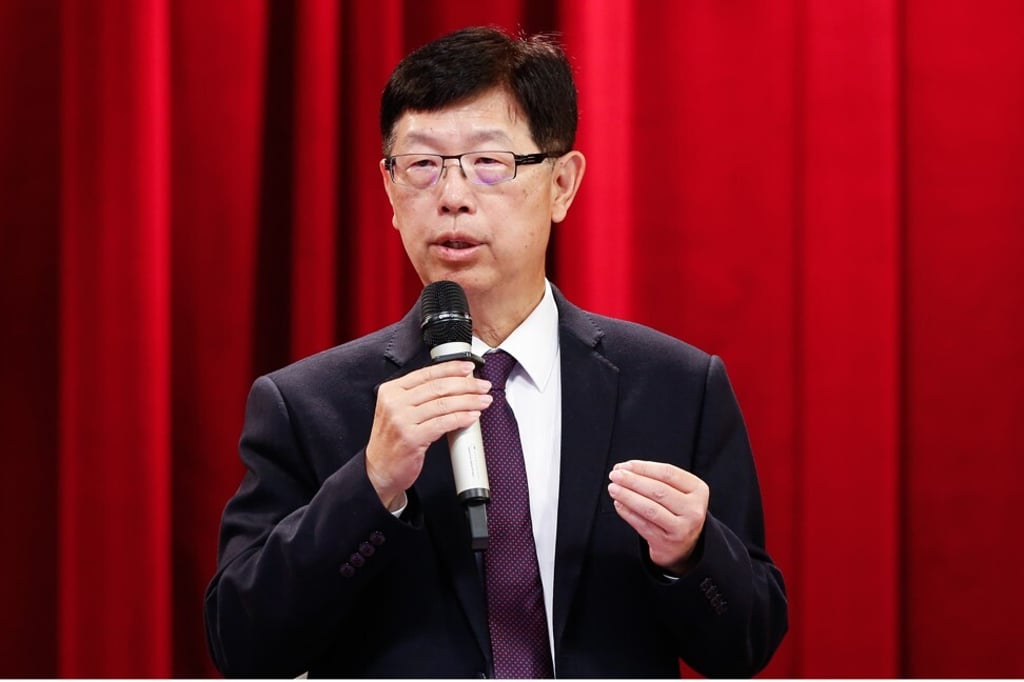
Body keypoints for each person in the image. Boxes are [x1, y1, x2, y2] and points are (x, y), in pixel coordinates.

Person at [204, 26, 788, 678]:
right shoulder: (307, 405)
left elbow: (748, 644)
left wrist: (691, 555)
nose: (452, 197)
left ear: (562, 183)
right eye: (422, 166)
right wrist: (368, 488)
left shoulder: (677, 386)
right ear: (390, 191)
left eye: (490, 163)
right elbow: (243, 644)